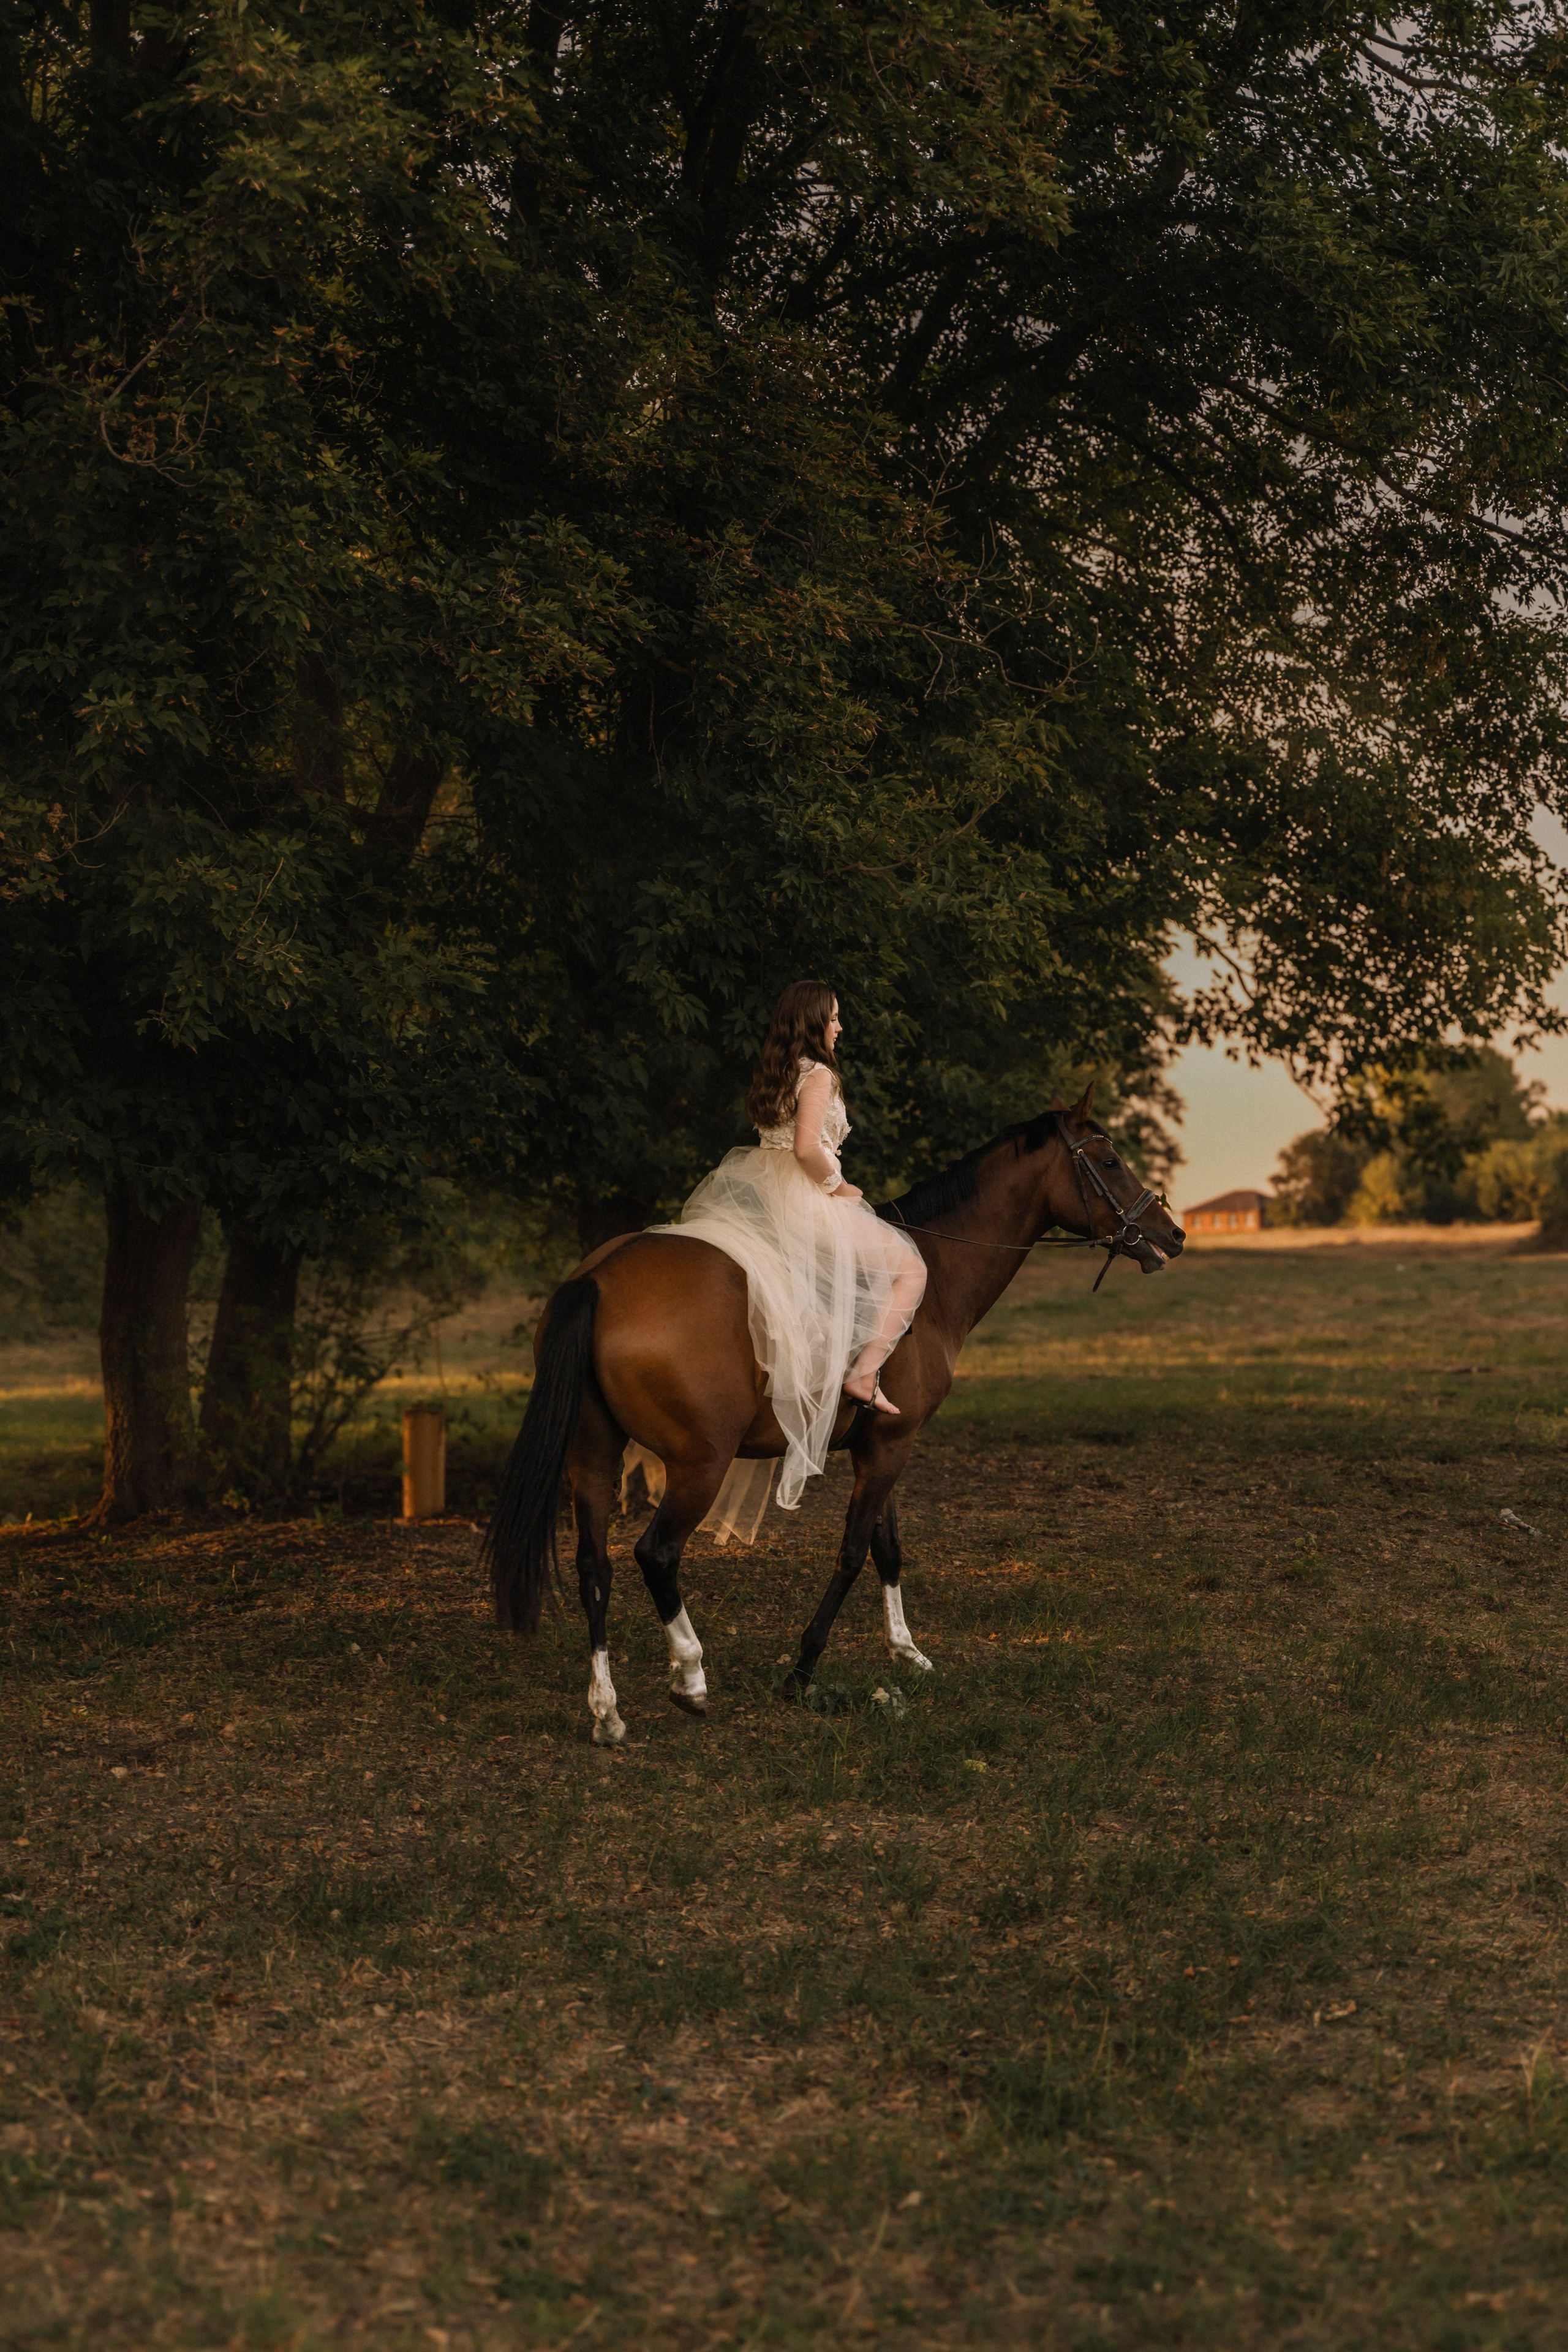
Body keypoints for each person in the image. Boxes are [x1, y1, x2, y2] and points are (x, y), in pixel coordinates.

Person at [650, 980, 927, 1513]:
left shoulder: (778, 1070)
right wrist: (838, 1187)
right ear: (814, 1021)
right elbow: (805, 1149)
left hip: (766, 1191)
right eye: (834, 1017)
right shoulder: (819, 1073)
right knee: (910, 1268)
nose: (840, 1026)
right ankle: (863, 1374)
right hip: (805, 1197)